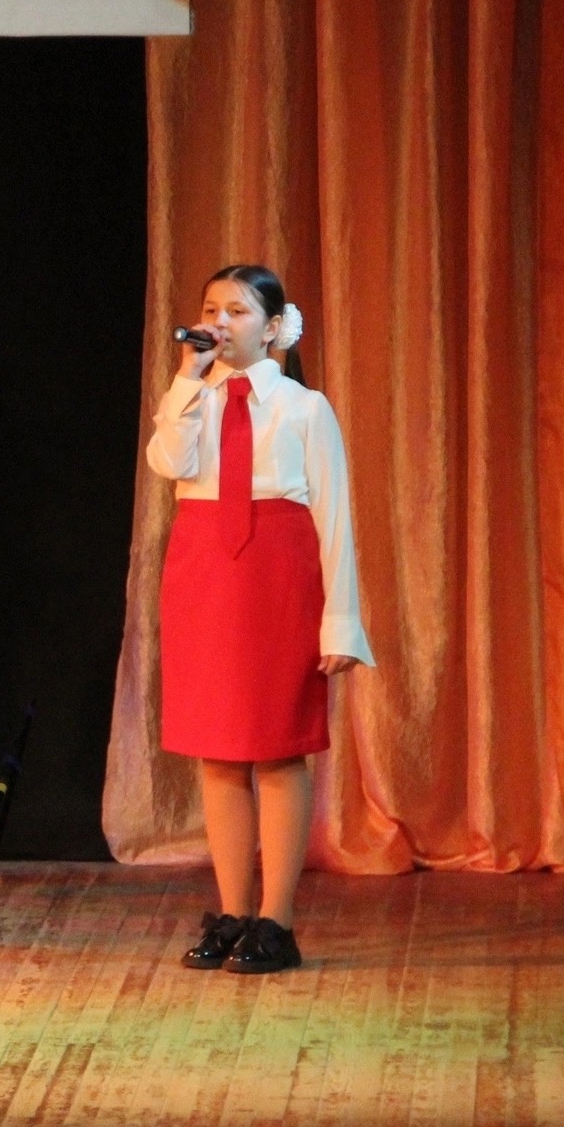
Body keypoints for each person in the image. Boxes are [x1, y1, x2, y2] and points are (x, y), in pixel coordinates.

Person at [146, 264, 371, 976]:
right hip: (205, 574)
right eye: (211, 308)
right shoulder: (193, 398)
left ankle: (277, 921)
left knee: (276, 749)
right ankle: (232, 912)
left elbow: (334, 517)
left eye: (237, 311)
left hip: (278, 576)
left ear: (273, 327)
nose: (220, 321)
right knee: (218, 751)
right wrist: (187, 381)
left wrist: (341, 621)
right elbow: (167, 461)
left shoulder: (305, 408)